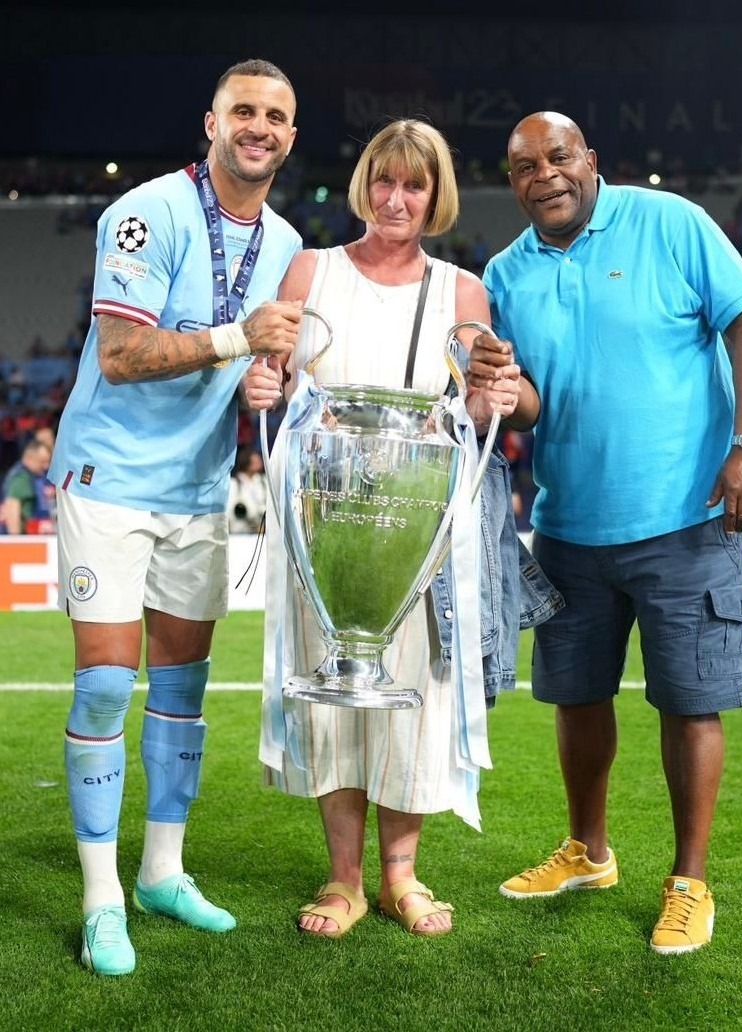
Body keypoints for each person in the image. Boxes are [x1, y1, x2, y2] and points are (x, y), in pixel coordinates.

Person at [468, 111, 742, 955]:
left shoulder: (669, 221)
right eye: (524, 166)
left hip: (688, 517)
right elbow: (531, 405)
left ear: (590, 160)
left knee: (690, 701)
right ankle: (588, 850)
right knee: (577, 696)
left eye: (558, 156)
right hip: (569, 523)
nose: (544, 175)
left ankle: (689, 881)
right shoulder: (505, 270)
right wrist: (498, 382)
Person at [47, 58, 303, 976]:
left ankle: (161, 871)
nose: (258, 126)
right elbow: (118, 353)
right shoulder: (148, 212)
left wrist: (266, 379)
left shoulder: (285, 244)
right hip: (108, 480)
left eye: (275, 115)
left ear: (290, 137)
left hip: (196, 491)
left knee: (184, 690)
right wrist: (241, 340)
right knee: (110, 685)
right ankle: (101, 896)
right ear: (211, 121)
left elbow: (266, 366)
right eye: (244, 109)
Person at [251, 119, 536, 940]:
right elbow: (270, 374)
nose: (396, 198)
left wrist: (496, 394)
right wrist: (258, 389)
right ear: (363, 186)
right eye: (383, 180)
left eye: (414, 184)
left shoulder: (462, 291)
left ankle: (401, 875)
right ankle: (344, 878)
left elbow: (477, 410)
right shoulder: (311, 270)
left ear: (435, 195)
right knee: (333, 696)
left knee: (414, 698)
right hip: (324, 522)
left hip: (420, 531)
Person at [0, 437, 54, 534]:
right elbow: (12, 509)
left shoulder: (34, 476)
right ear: (29, 458)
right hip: (23, 539)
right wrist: (16, 541)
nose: (46, 466)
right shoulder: (21, 478)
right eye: (42, 462)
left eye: (47, 462)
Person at [226, 445, 268, 533]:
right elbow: (230, 510)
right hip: (239, 531)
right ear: (247, 462)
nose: (259, 463)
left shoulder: (263, 481)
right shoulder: (235, 483)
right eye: (255, 461)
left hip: (260, 530)